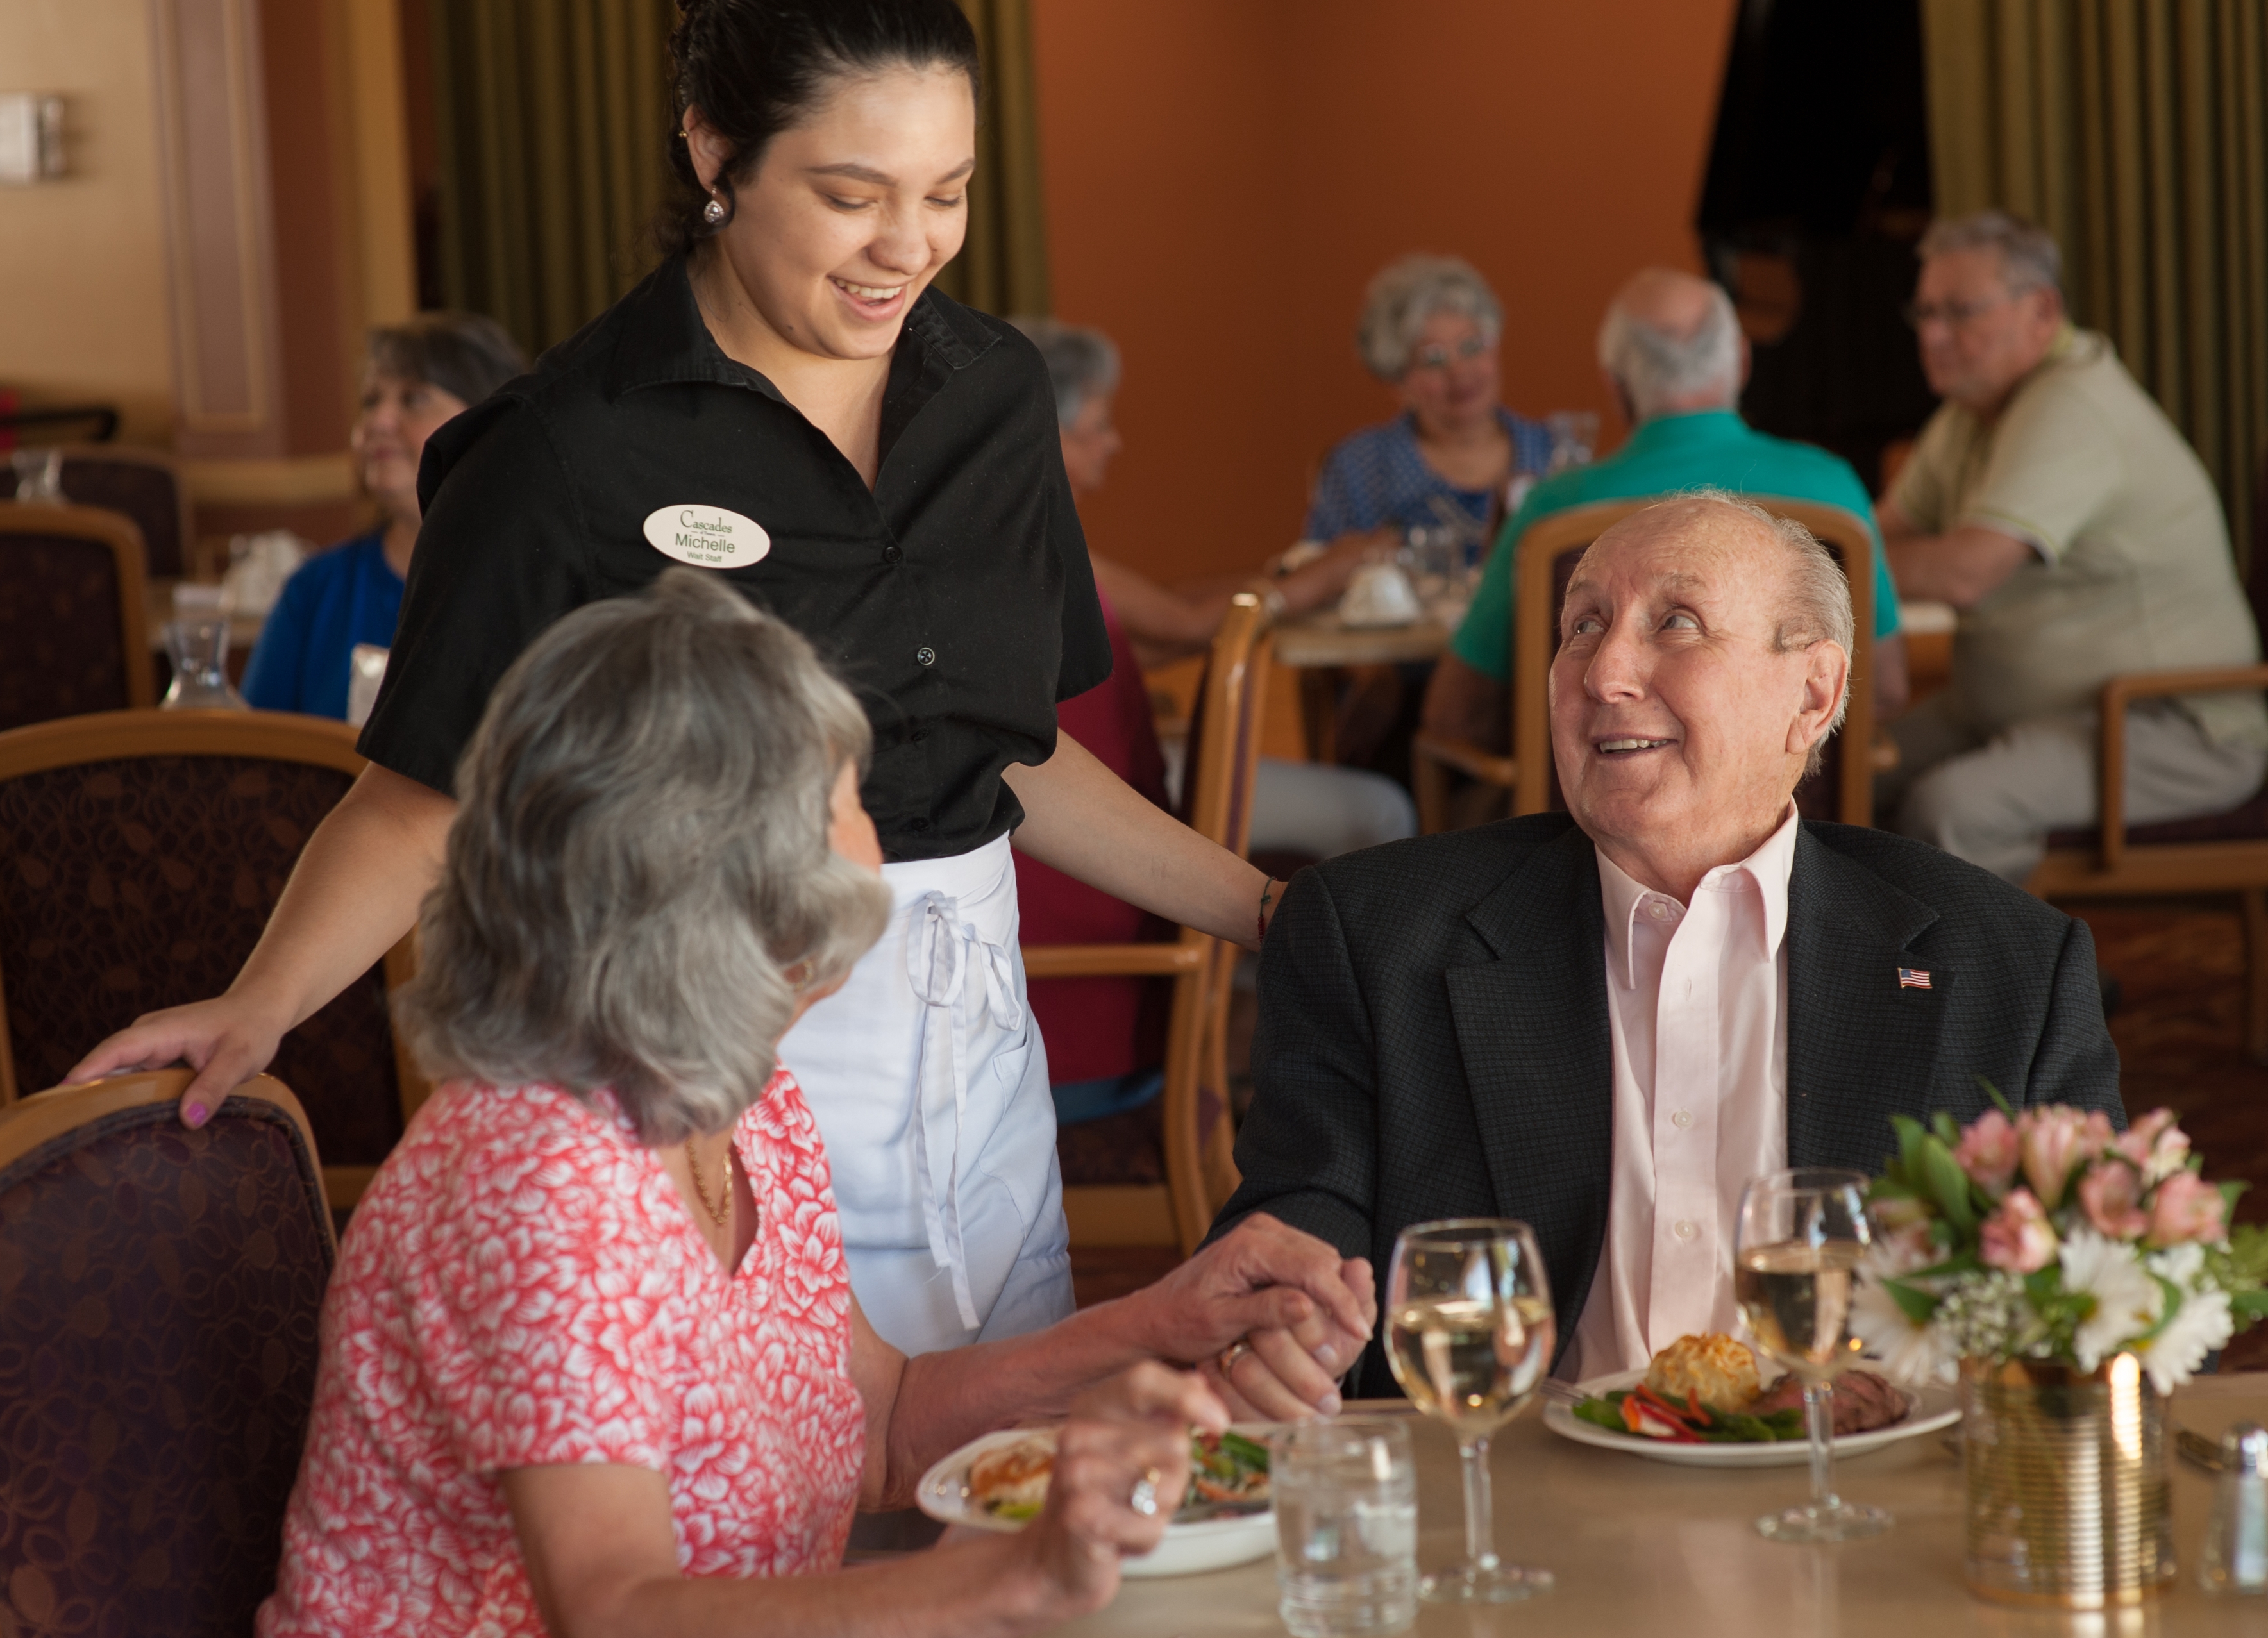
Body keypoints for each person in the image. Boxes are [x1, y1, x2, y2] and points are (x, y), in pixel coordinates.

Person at [69, 0, 1291, 1360]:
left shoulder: (994, 395)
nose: (910, 244)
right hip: (717, 1067)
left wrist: (1270, 913)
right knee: (789, 1519)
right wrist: (261, 1003)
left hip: (987, 1060)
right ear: (716, 150)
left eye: (947, 193)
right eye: (850, 194)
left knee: (1000, 1488)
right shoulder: (564, 451)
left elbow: (1004, 754)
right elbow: (428, 795)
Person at [256, 568, 1375, 1634]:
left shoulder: (740, 1097)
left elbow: (881, 1426)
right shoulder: (537, 1173)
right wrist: (1012, 1583)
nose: (879, 840)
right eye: (844, 798)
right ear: (713, 874)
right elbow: (615, 1612)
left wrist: (1171, 1317)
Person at [1211, 493, 2123, 1396]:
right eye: (1582, 626)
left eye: (1676, 623)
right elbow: (1303, 1218)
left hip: (1845, 1493)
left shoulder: (2006, 965)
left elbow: (2095, 1302)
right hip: (1513, 1496)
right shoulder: (1375, 934)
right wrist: (1294, 1314)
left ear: (1813, 693)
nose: (1604, 672)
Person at [1006, 318, 1415, 1124]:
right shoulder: (1051, 558)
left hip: (1097, 918)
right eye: (1097, 427)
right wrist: (1323, 574)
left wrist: (1284, 578)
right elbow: (1200, 626)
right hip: (1092, 990)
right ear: (1044, 435)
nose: (1115, 441)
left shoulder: (1028, 552)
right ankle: (1375, 1028)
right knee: (1381, 809)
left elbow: (1172, 618)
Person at [1876, 211, 2268, 882]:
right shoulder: (1971, 410)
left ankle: (2046, 982)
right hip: (2020, 707)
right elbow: (1883, 535)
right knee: (1829, 780)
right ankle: (1887, 983)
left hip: (2165, 724)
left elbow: (1966, 573)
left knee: (1951, 810)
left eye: (1960, 312)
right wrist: (1854, 563)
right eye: (1925, 312)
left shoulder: (2073, 406)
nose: (1934, 336)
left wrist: (1842, 569)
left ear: (2041, 310)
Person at [1425, 269, 1908, 756]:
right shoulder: (1832, 487)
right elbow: (1884, 690)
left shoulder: (1555, 508)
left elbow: (1456, 713)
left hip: (1595, 821)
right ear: (1741, 362)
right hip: (1798, 819)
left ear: (1614, 385)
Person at [240, 313, 528, 720]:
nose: (378, 421)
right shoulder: (316, 590)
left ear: (487, 424)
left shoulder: (535, 583)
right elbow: (259, 760)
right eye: (371, 401)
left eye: (414, 399)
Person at [1304, 254, 1560, 552]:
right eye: (1433, 358)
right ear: (1399, 381)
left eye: (1471, 346)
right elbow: (1315, 579)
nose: (1460, 372)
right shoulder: (1358, 471)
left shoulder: (1554, 453)